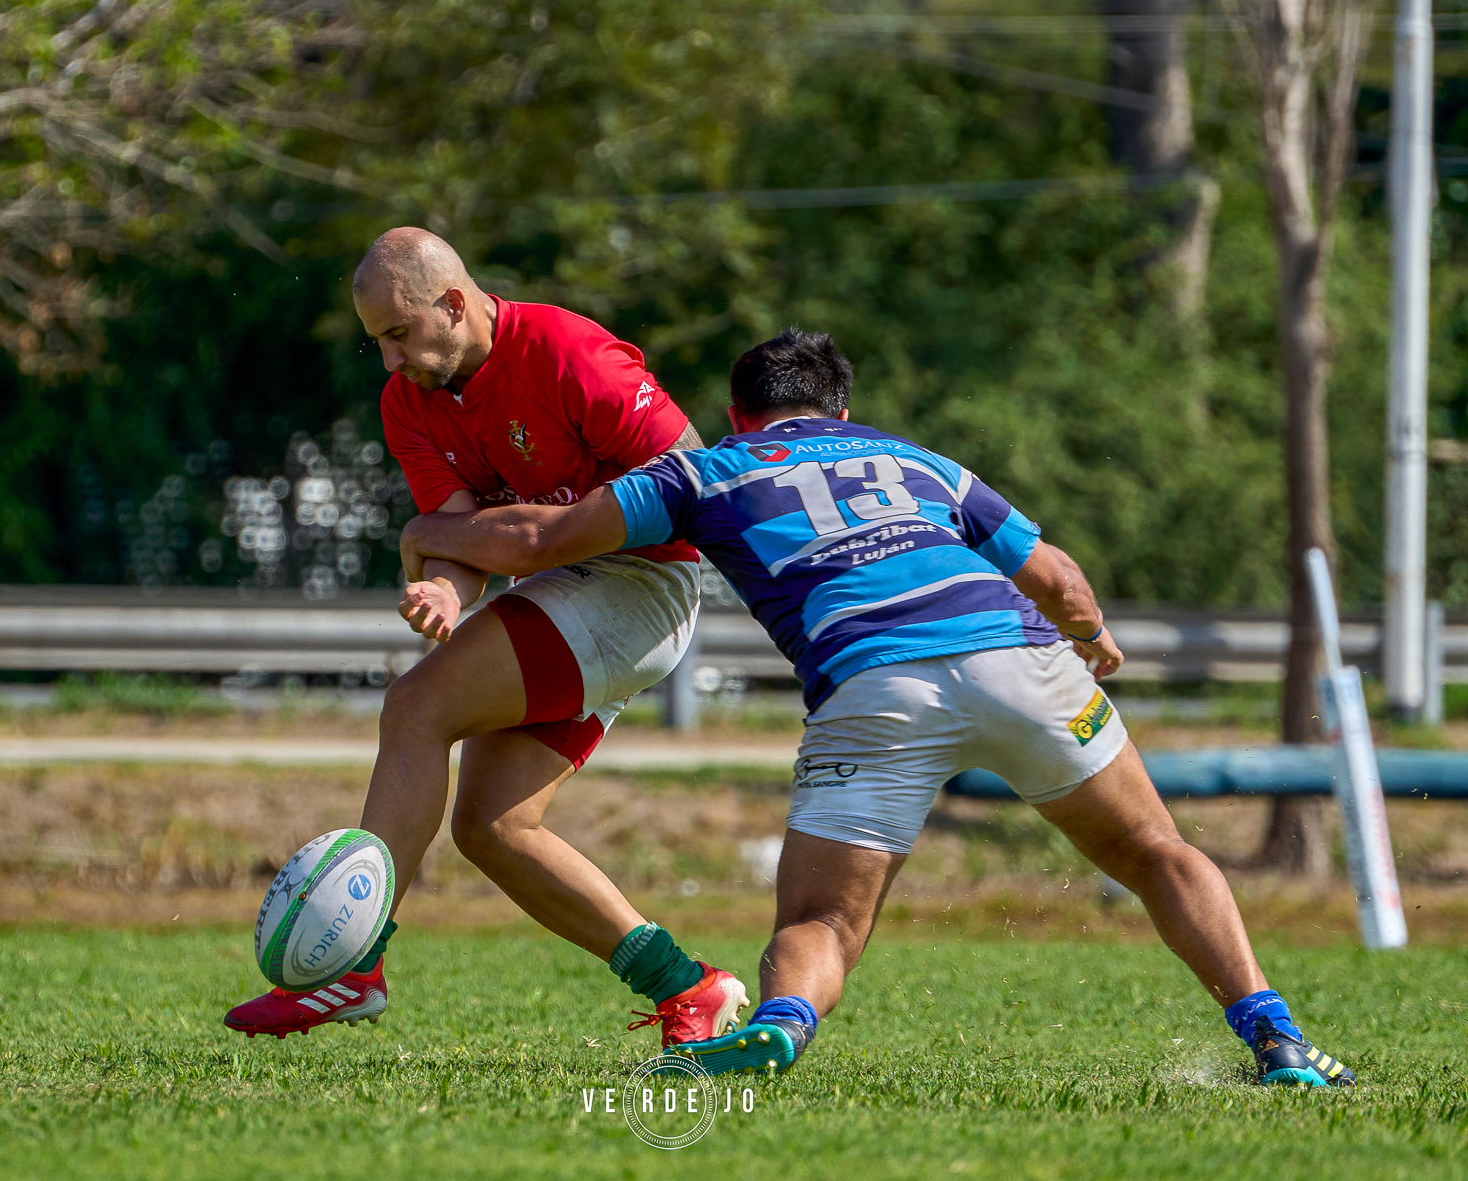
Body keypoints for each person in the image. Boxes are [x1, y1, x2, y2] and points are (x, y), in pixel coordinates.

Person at [397, 329, 1356, 1089]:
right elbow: (1055, 574)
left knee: (822, 917)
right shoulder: (918, 462)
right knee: (1158, 854)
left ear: (738, 415)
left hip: (873, 688)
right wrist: (1093, 639)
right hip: (1020, 659)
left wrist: (426, 528)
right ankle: (1278, 1038)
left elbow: (543, 535)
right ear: (841, 408)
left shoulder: (706, 471)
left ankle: (779, 1025)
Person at [224, 229, 749, 1045]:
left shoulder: (572, 354)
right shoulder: (411, 402)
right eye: (377, 343)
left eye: (399, 334)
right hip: (572, 593)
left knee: (416, 708)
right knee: (492, 828)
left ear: (455, 303)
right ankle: (690, 988)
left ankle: (353, 970)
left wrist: (549, 536)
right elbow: (460, 531)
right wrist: (445, 584)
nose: (390, 360)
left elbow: (697, 480)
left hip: (644, 586)